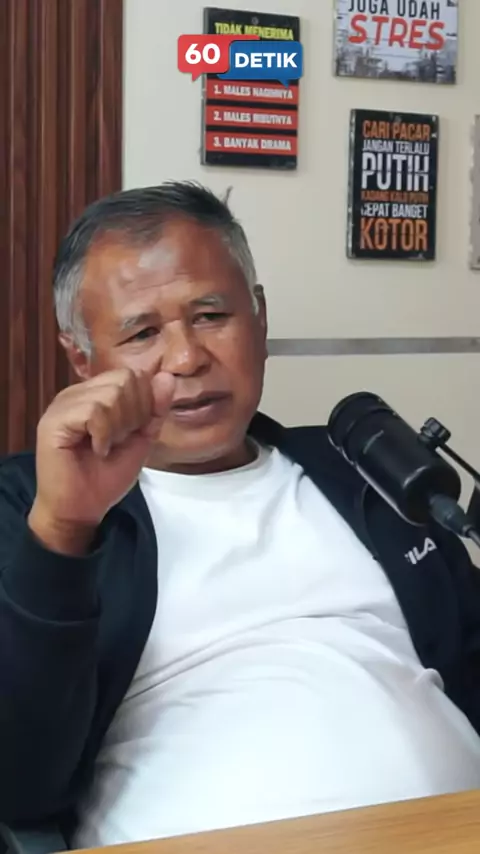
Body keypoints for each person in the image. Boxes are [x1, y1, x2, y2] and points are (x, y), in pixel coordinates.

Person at [1, 181, 480, 847]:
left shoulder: (359, 468)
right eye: (143, 332)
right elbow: (19, 782)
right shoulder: (33, 504)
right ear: (83, 360)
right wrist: (63, 529)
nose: (187, 358)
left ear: (259, 318)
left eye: (211, 315)